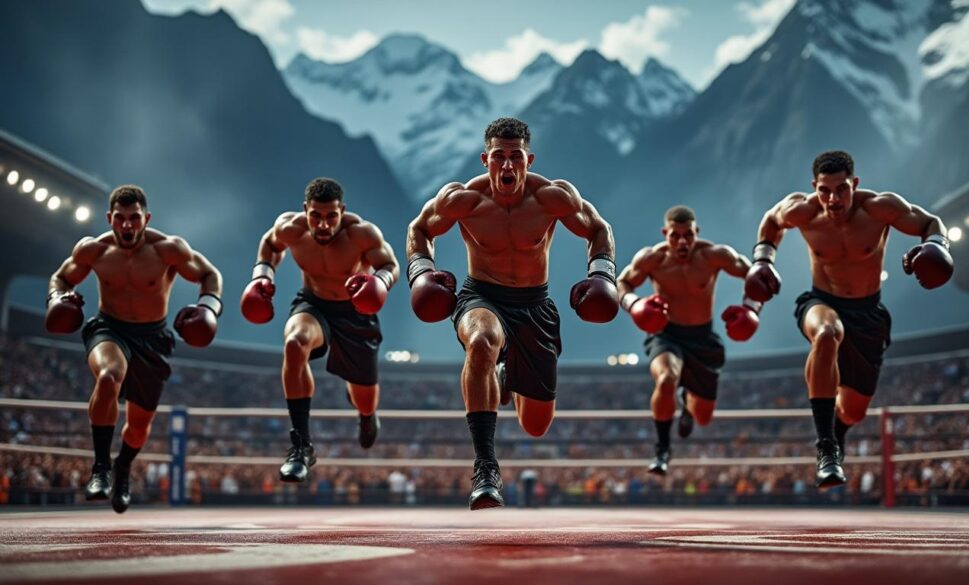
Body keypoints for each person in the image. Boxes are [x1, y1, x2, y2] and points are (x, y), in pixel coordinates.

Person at [406, 117, 617, 509]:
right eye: (498, 157)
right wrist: (421, 273)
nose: (507, 166)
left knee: (535, 426)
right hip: (481, 296)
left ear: (528, 159)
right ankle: (485, 467)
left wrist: (602, 276)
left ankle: (506, 373)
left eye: (515, 157)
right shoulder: (462, 199)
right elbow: (419, 230)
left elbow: (598, 229)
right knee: (482, 342)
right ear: (485, 158)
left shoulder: (554, 197)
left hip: (535, 305)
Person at [740, 150, 953, 487]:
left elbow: (928, 222)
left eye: (841, 189)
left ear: (854, 184)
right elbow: (771, 221)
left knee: (853, 411)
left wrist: (936, 244)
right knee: (826, 333)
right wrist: (763, 260)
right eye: (825, 190)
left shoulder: (880, 208)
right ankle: (826, 448)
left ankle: (838, 432)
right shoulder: (804, 211)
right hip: (821, 301)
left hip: (868, 313)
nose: (833, 199)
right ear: (814, 187)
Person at [46, 185, 223, 513]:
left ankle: (122, 466)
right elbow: (61, 277)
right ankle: (100, 468)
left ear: (146, 218)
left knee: (139, 426)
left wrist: (208, 307)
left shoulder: (168, 249)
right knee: (110, 376)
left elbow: (209, 274)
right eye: (121, 219)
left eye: (134, 218)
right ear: (110, 218)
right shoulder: (93, 250)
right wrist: (58, 298)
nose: (127, 225)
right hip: (108, 328)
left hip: (152, 337)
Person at [241, 177, 398, 483]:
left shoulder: (362, 234)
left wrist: (378, 283)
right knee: (294, 343)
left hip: (355, 313)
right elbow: (270, 244)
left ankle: (366, 416)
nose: (323, 225)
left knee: (365, 399)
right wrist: (261, 275)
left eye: (331, 217)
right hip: (314, 306)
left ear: (342, 211)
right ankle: (301, 445)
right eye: (316, 216)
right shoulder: (292, 228)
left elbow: (389, 265)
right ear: (305, 210)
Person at [616, 205, 752, 475]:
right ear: (665, 233)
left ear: (696, 232)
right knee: (666, 377)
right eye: (675, 235)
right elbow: (622, 283)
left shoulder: (714, 255)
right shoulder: (652, 259)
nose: (681, 242)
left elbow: (755, 275)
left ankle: (686, 401)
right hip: (666, 335)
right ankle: (662, 450)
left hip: (703, 339)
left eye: (687, 235)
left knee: (703, 417)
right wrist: (635, 305)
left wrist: (750, 308)